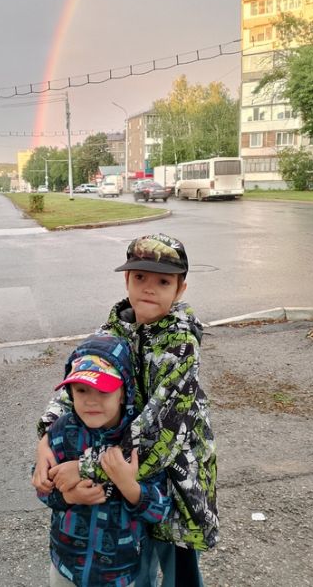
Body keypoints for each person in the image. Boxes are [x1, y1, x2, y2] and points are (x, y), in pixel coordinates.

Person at [33, 233, 219, 587]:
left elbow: (162, 430)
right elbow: (79, 377)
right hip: (120, 459)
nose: (149, 288)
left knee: (176, 556)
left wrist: (83, 467)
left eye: (163, 281)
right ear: (126, 280)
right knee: (137, 548)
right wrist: (47, 434)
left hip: (173, 468)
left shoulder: (180, 345)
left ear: (180, 289)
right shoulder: (115, 328)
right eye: (139, 278)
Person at [37, 333, 172, 587]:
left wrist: (129, 486)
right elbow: (42, 487)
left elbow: (160, 510)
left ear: (124, 393)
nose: (90, 400)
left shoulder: (139, 439)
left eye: (104, 390)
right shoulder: (61, 432)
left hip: (120, 574)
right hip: (65, 567)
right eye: (81, 389)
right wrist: (68, 497)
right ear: (69, 392)